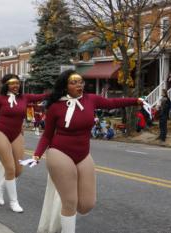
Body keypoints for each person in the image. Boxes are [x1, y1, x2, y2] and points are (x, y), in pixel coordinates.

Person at [32, 70, 142, 233]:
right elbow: (47, 135)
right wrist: (37, 155)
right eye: (74, 82)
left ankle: (61, 215)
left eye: (81, 82)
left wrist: (136, 101)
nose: (79, 85)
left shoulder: (90, 99)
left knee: (85, 205)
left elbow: (112, 103)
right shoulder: (56, 107)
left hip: (83, 155)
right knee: (70, 202)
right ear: (65, 87)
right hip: (59, 152)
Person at [0, 74, 48, 213]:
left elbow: (42, 96)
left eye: (17, 83)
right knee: (10, 168)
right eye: (12, 83)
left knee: (18, 170)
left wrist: (59, 90)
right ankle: (14, 202)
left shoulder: (24, 98)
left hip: (16, 134)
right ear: (6, 85)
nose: (16, 86)